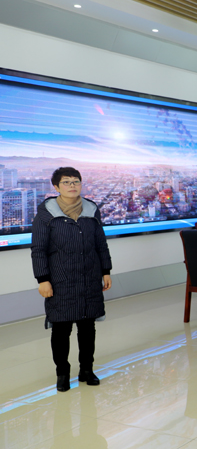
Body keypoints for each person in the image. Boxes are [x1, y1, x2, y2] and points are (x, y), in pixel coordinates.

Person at [30, 167, 112, 392]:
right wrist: (42, 279)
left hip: (89, 278)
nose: (72, 185)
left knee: (87, 328)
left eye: (76, 181)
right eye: (66, 182)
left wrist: (106, 270)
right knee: (61, 329)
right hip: (60, 280)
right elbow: (38, 249)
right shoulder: (46, 214)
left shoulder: (91, 209)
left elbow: (100, 244)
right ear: (56, 187)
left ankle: (87, 370)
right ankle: (62, 373)